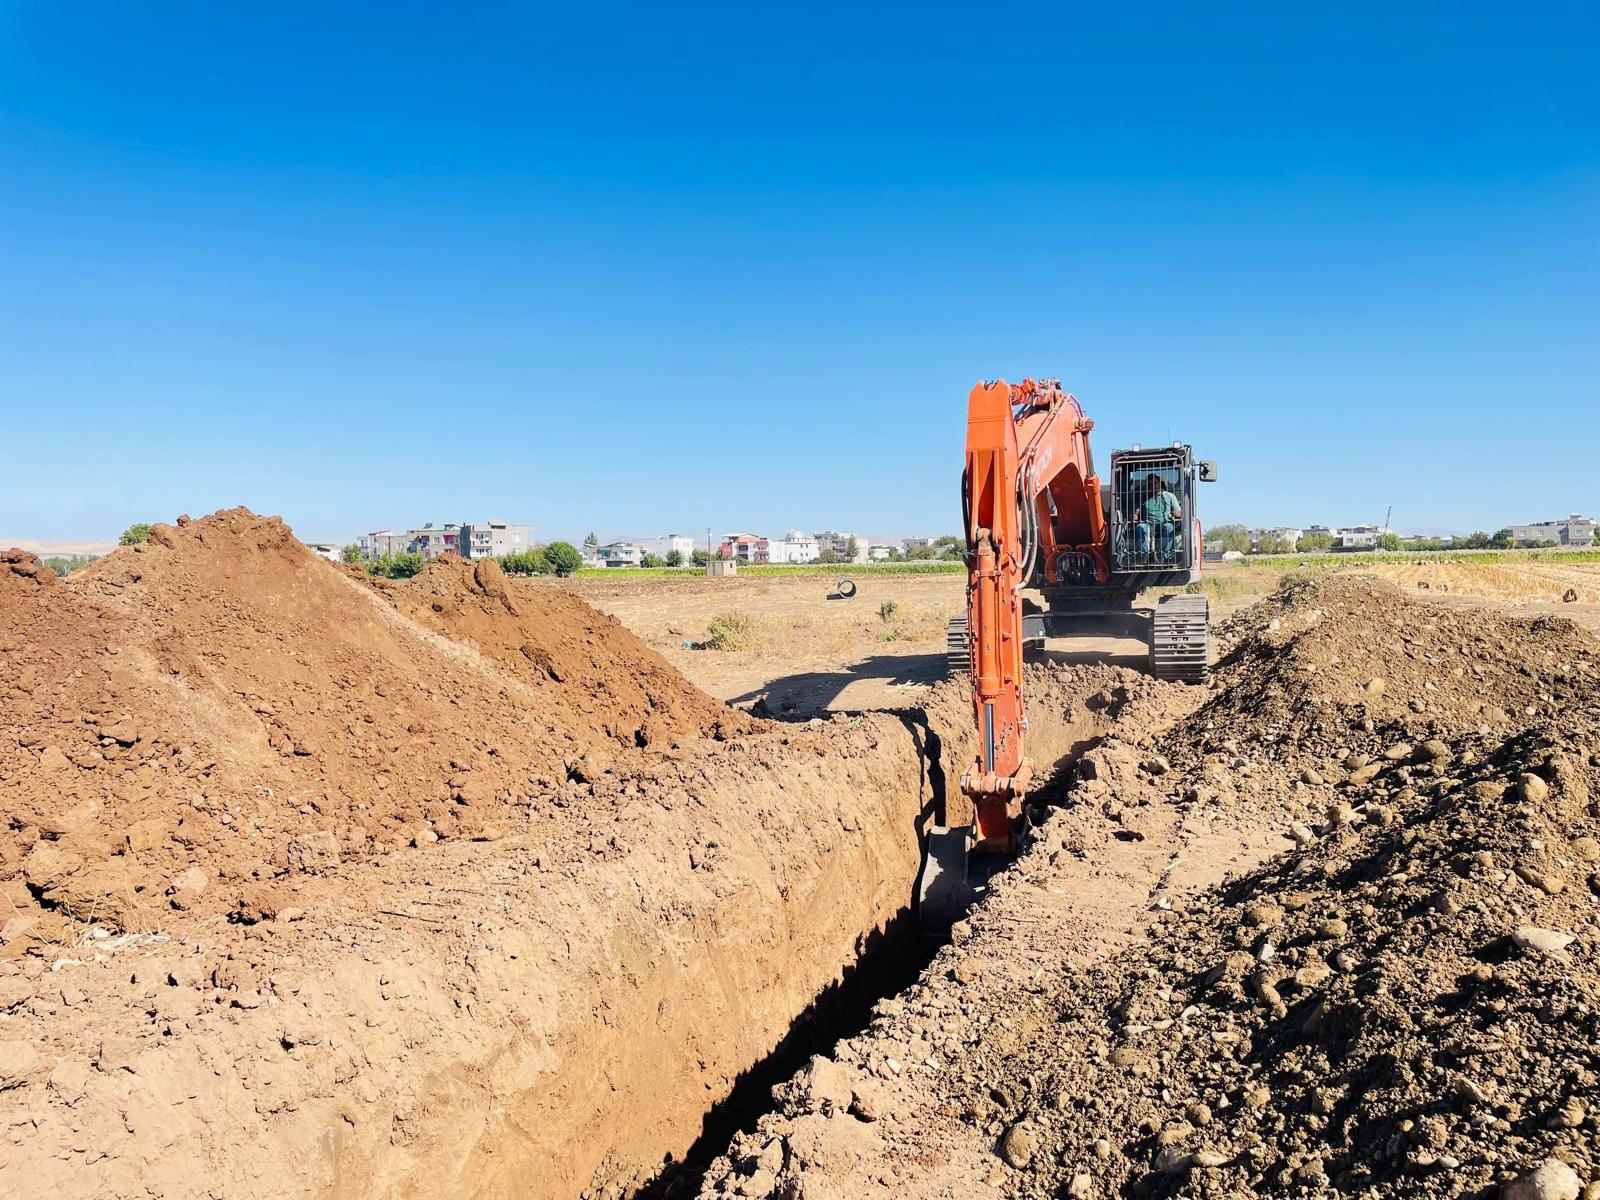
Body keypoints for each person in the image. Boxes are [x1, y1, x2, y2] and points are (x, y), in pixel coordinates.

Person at [1134, 474, 1182, 562]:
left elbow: (1178, 511)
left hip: (1164, 522)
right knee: (1139, 527)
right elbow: (1136, 513)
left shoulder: (1170, 496)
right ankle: (1144, 557)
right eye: (1150, 484)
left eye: (1155, 483)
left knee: (1169, 528)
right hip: (1147, 523)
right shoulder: (1143, 497)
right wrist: (1134, 516)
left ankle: (1163, 558)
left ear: (1159, 483)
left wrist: (1177, 513)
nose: (1152, 486)